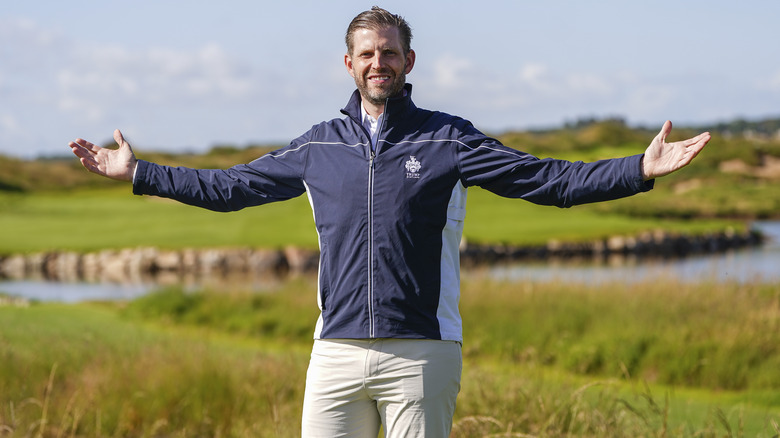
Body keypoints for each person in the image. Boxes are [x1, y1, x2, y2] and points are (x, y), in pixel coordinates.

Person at [69, 6, 710, 437]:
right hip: (336, 353)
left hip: (421, 354)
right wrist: (139, 172)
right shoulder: (318, 146)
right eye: (368, 52)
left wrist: (639, 169)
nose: (380, 62)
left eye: (391, 52)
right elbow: (229, 187)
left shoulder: (449, 141)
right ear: (348, 64)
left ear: (409, 61)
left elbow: (547, 180)